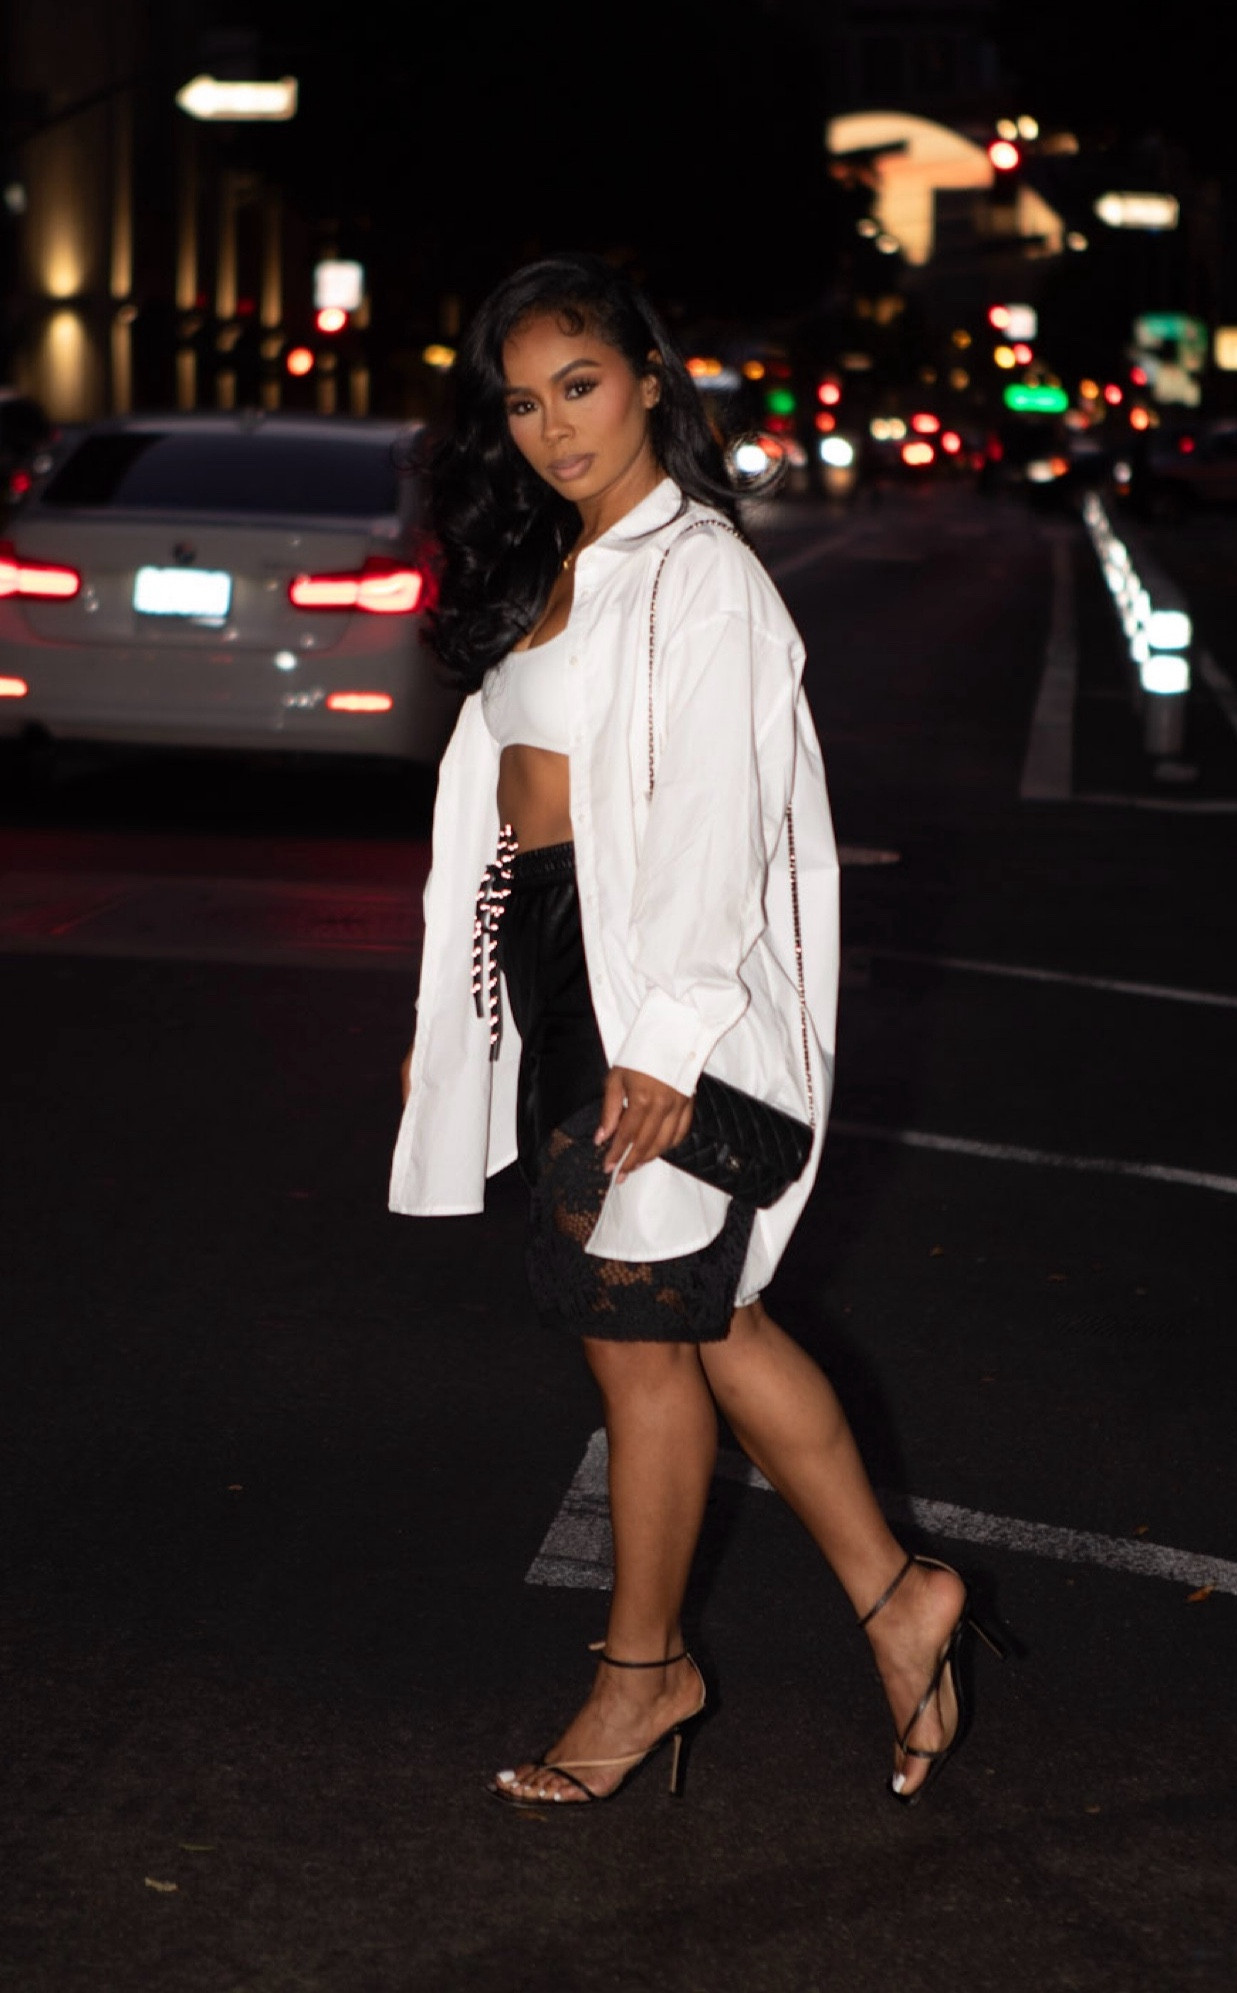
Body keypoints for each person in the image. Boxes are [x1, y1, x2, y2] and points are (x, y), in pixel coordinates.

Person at [390, 252, 994, 1807]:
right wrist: (459, 1025)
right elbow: (492, 824)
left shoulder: (700, 572)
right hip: (555, 964)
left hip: (643, 977)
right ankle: (896, 1597)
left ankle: (645, 1672)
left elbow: (719, 820)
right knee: (706, 1320)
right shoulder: (564, 563)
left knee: (644, 1335)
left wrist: (662, 1041)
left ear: (651, 380)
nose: (551, 427)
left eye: (578, 386)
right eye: (521, 403)